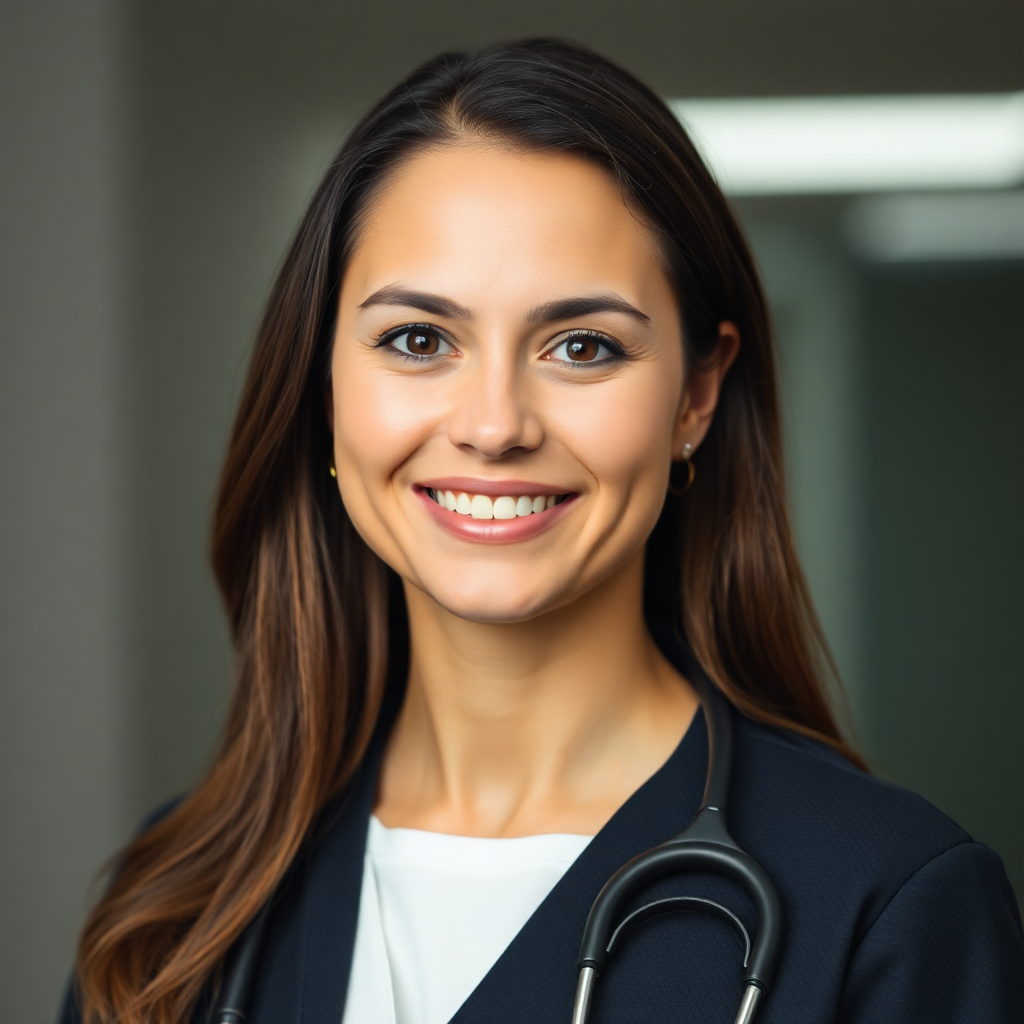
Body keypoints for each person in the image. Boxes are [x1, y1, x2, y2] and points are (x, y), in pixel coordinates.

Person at [62, 38, 1022, 1024]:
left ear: (696, 394)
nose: (493, 424)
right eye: (418, 340)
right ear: (324, 388)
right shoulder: (179, 905)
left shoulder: (890, 903)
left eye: (581, 346)